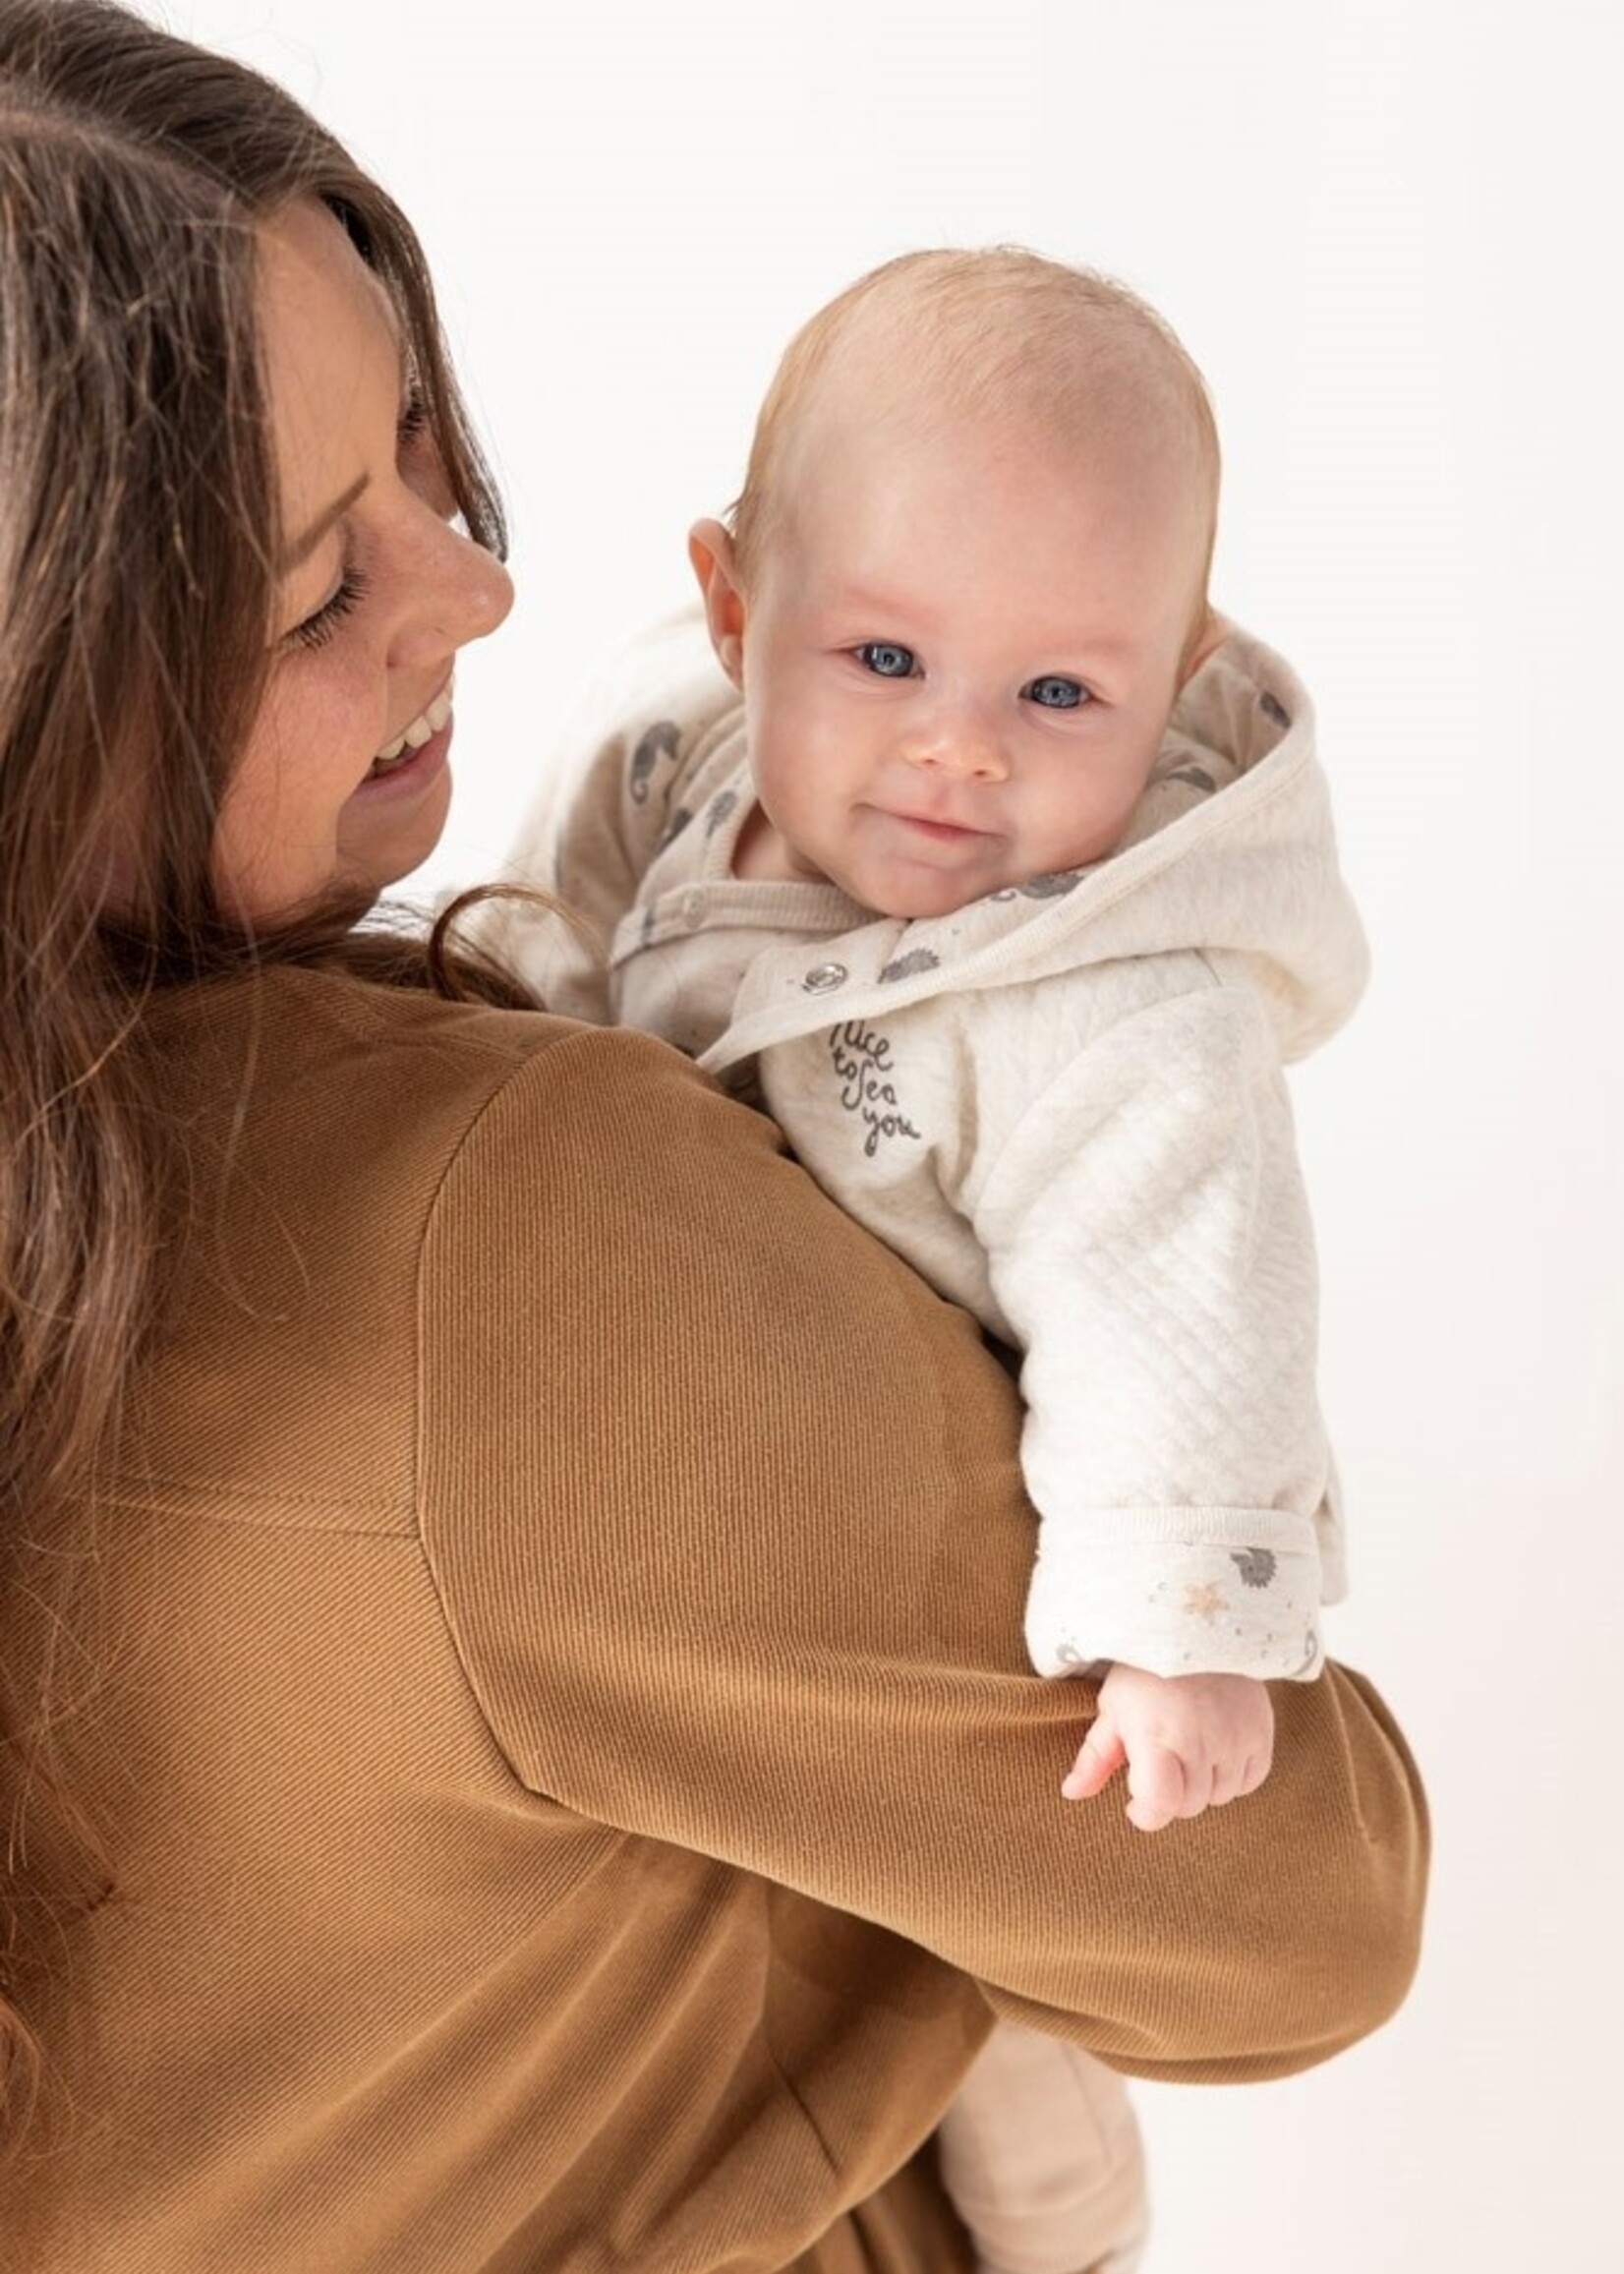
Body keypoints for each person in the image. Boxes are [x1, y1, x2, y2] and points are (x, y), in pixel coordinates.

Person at [0, 9, 1427, 2270]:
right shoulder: (499, 1226)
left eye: (419, 458)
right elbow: (1297, 1904)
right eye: (313, 589)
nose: (473, 589)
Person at [498, 251, 1368, 2274]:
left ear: (1169, 670)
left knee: (977, 1945)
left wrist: (1173, 1616)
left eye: (1057, 692)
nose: (960, 753)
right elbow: (558, 919)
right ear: (735, 608)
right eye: (883, 660)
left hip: (983, 1527)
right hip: (692, 1442)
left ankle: (1065, 2231)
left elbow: (1185, 1291)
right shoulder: (675, 755)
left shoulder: (1112, 993)